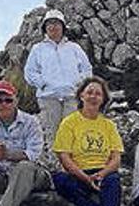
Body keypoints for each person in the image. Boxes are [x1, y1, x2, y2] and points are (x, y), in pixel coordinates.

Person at [52, 76, 124, 206]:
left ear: (103, 99)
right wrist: (84, 177)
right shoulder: (69, 122)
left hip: (102, 173)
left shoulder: (108, 125)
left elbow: (116, 158)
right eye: (89, 92)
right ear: (81, 96)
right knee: (59, 180)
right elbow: (64, 156)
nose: (93, 96)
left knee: (113, 179)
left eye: (98, 94)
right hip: (79, 172)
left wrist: (102, 174)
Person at [24, 9, 92, 149]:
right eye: (49, 23)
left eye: (56, 23)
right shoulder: (38, 49)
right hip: (48, 98)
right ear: (45, 28)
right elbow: (30, 72)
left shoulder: (74, 48)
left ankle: (73, 163)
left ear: (63, 26)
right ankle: (55, 162)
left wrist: (78, 84)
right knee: (53, 136)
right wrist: (43, 84)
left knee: (73, 134)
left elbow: (87, 69)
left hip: (72, 97)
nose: (53, 26)